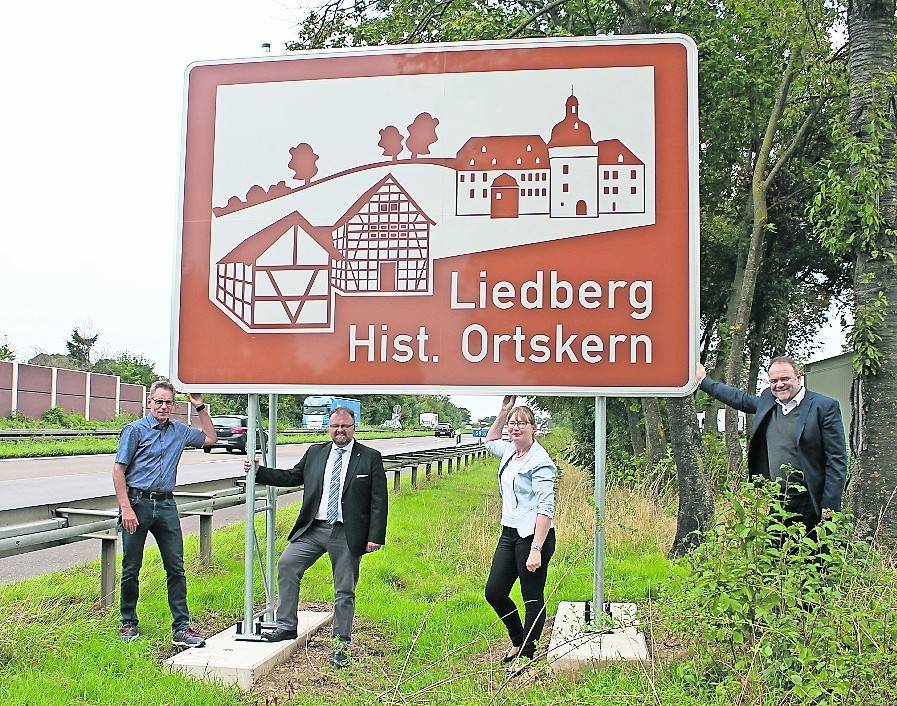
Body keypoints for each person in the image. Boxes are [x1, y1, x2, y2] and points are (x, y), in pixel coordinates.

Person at [244, 407, 387, 667]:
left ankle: (340, 644)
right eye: (335, 426)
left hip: (347, 532)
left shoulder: (369, 457)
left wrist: (375, 536)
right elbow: (292, 477)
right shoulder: (316, 452)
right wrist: (260, 471)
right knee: (287, 564)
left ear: (354, 427)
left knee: (344, 589)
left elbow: (379, 500)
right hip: (314, 528)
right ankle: (286, 625)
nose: (340, 430)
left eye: (345, 426)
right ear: (328, 427)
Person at [112, 380, 216, 647]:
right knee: (131, 567)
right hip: (137, 503)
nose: (163, 406)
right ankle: (128, 622)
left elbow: (210, 438)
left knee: (176, 567)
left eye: (168, 402)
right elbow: (118, 470)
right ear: (149, 403)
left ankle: (182, 627)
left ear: (173, 405)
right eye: (158, 401)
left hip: (167, 504)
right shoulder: (134, 431)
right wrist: (126, 508)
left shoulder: (179, 431)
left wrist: (200, 406)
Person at [697, 356, 847, 531]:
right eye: (774, 381)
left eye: (785, 379)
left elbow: (836, 460)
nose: (779, 385)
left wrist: (829, 504)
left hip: (811, 501)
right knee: (777, 554)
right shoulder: (769, 400)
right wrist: (703, 381)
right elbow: (739, 399)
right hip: (776, 499)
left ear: (798, 378)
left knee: (812, 555)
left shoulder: (824, 407)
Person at [483, 396, 557, 672]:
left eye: (521, 424)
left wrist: (536, 548)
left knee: (532, 596)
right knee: (495, 592)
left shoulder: (541, 462)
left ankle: (528, 655)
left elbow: (545, 507)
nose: (516, 428)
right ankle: (518, 639)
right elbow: (490, 442)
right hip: (509, 533)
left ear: (533, 428)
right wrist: (502, 412)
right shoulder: (510, 452)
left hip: (533, 537)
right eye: (513, 424)